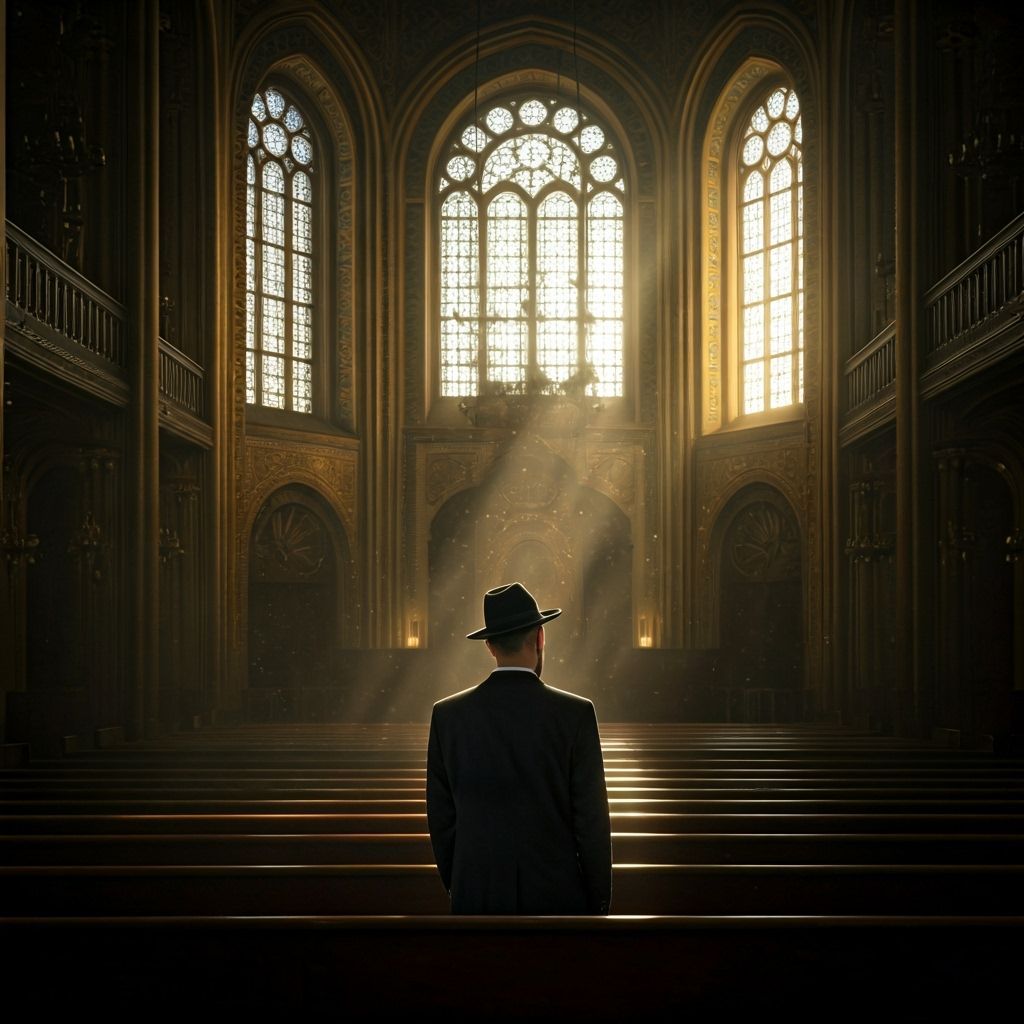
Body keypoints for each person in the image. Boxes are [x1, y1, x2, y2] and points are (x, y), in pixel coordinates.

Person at [426, 582, 612, 914]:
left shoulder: (448, 716)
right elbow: (592, 824)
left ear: (490, 646)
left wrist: (462, 884)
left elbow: (442, 822)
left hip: (477, 896)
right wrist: (597, 907)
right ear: (540, 637)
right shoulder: (576, 714)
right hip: (557, 899)